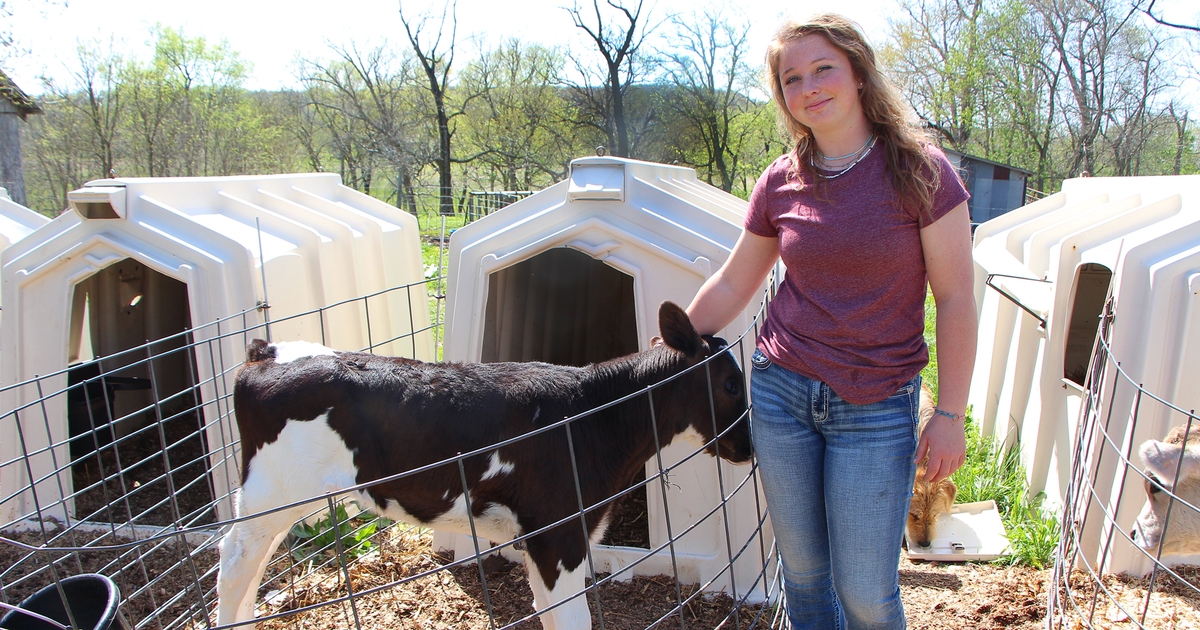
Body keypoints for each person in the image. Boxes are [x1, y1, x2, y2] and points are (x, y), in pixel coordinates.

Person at [684, 13, 978, 630]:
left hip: (875, 404)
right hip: (783, 392)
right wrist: (673, 345)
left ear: (859, 72)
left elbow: (954, 298)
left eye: (823, 69)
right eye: (792, 78)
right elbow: (737, 280)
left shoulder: (922, 172)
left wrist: (950, 414)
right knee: (806, 579)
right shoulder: (782, 180)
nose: (809, 87)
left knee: (866, 592)